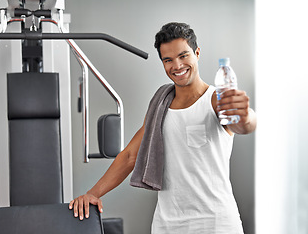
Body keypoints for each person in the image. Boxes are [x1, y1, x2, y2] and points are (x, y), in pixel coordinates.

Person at [69, 22, 257, 234]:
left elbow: (243, 124)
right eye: (168, 60)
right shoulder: (161, 105)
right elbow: (131, 155)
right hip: (168, 224)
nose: (177, 66)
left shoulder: (215, 99)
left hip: (215, 223)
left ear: (197, 53)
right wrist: (93, 193)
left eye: (183, 56)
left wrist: (246, 115)